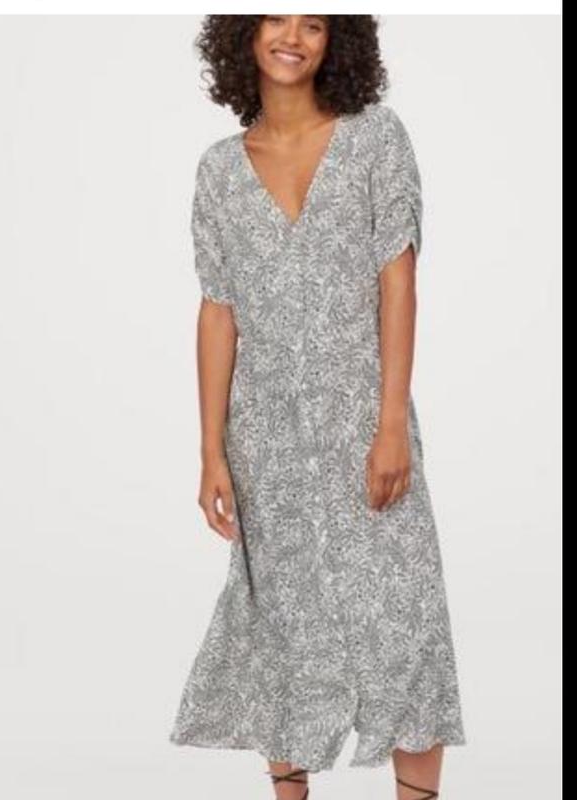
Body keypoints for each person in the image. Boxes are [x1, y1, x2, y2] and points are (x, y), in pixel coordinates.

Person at [169, 15, 466, 799]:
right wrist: (211, 451)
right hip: (265, 441)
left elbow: (398, 277)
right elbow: (218, 310)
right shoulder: (219, 170)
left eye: (314, 23)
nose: (293, 36)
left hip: (364, 425)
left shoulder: (374, 138)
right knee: (284, 629)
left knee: (406, 626)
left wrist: (391, 423)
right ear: (244, 33)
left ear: (339, 41)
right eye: (276, 16)